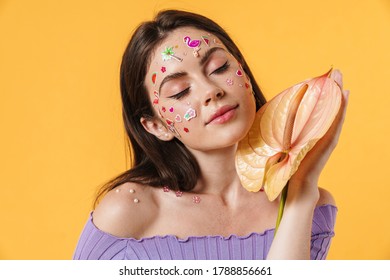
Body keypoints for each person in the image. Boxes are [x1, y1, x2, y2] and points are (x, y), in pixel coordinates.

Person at [73, 9, 348, 260]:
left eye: (219, 68)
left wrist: (302, 190)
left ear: (243, 71)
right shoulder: (128, 213)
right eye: (179, 91)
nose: (210, 91)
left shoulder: (313, 207)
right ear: (156, 126)